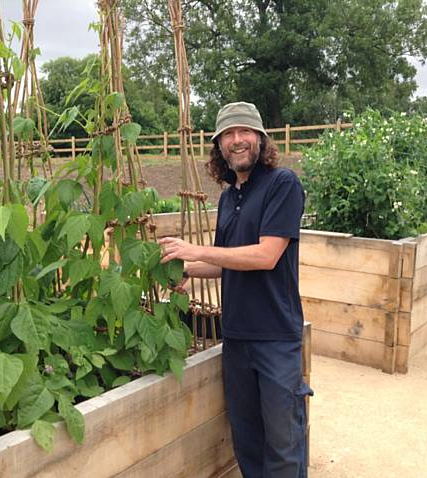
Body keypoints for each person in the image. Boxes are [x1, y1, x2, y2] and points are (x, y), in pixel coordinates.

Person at [159, 101, 312, 477]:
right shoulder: (229, 197)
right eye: (228, 134)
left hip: (276, 337)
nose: (237, 140)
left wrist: (195, 248)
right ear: (219, 147)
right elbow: (225, 261)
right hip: (237, 337)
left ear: (260, 139)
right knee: (247, 440)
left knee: (283, 444)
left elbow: (266, 255)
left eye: (244, 132)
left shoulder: (282, 184)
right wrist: (188, 268)